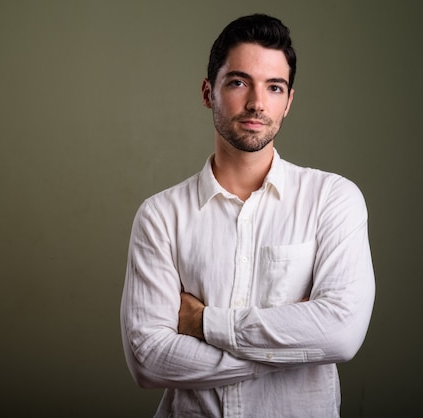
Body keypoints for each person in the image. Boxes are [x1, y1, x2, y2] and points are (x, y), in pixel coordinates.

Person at [120, 13, 375, 418]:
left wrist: (204, 324)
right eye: (239, 82)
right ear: (208, 92)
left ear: (288, 101)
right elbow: (148, 359)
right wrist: (294, 348)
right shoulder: (161, 216)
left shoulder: (333, 199)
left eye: (274, 87)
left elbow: (341, 335)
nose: (257, 102)